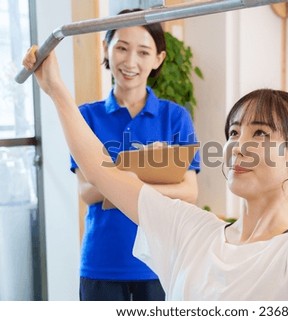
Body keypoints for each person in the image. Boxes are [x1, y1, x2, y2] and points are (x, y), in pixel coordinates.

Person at [22, 43, 288, 300]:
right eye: (234, 132)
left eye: (261, 133)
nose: (238, 144)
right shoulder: (192, 231)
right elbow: (100, 169)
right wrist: (56, 89)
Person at [68, 8, 200, 300]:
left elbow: (189, 191)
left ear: (158, 59)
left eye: (143, 52)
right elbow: (88, 192)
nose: (130, 62)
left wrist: (117, 178)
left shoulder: (175, 117)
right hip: (102, 262)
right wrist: (154, 178)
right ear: (106, 48)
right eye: (122, 49)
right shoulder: (86, 118)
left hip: (160, 262)